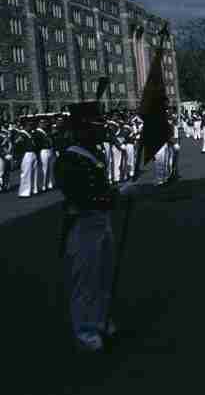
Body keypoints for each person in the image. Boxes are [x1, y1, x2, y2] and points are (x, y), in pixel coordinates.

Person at [55, 102, 119, 353]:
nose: (101, 129)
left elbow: (102, 188)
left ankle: (101, 319)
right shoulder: (69, 159)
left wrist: (115, 193)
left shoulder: (94, 153)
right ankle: (85, 330)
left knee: (104, 276)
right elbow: (80, 195)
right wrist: (115, 197)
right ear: (82, 129)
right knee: (85, 280)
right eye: (96, 125)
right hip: (82, 223)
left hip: (101, 221)